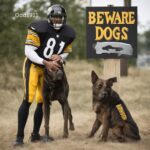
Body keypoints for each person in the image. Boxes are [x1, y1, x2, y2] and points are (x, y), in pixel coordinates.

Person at [15, 4, 75, 146]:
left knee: (42, 101)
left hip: (48, 69)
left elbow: (66, 50)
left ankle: (35, 135)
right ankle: (19, 138)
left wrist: (61, 57)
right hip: (34, 65)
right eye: (54, 17)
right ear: (49, 18)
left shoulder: (68, 32)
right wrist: (44, 62)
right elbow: (28, 51)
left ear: (64, 19)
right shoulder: (39, 28)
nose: (57, 20)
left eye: (60, 18)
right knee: (28, 98)